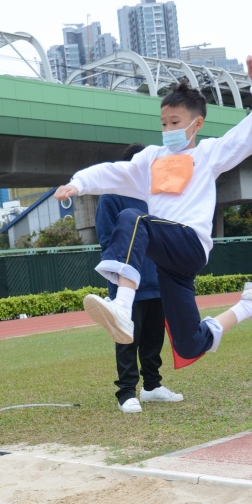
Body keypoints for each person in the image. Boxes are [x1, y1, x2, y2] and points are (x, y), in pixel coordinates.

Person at [54, 54, 252, 369]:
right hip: (169, 260)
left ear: (197, 124)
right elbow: (114, 172)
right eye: (164, 124)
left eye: (175, 123)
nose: (168, 130)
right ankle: (250, 305)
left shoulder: (208, 154)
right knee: (188, 344)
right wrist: (78, 184)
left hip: (190, 243)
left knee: (132, 218)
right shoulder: (151, 158)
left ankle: (122, 305)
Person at [95, 143, 183, 413]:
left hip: (158, 279)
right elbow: (108, 240)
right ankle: (126, 392)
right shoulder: (111, 197)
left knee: (154, 338)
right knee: (127, 337)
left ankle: (152, 387)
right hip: (127, 285)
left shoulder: (155, 197)